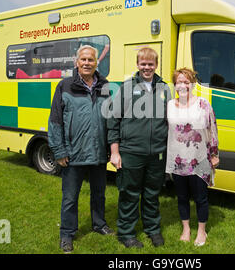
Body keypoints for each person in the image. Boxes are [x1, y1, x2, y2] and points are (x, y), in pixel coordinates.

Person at [48, 45, 114, 253]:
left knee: (99, 194)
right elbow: (55, 121)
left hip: (98, 153)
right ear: (77, 63)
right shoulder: (65, 85)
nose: (87, 63)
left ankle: (99, 224)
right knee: (69, 198)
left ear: (97, 63)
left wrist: (112, 148)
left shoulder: (104, 86)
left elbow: (110, 119)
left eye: (91, 60)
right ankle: (67, 234)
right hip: (73, 153)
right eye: (83, 59)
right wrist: (59, 151)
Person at [107, 47, 171, 248]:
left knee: (152, 193)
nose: (147, 67)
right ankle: (126, 233)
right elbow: (113, 120)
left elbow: (171, 119)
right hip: (131, 152)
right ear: (137, 65)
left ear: (156, 65)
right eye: (143, 63)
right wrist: (115, 152)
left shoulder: (165, 88)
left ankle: (153, 229)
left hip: (157, 153)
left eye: (150, 64)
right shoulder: (126, 88)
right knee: (129, 194)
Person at [166, 67, 219, 247]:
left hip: (200, 159)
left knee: (200, 197)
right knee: (181, 197)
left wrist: (214, 154)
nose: (182, 85)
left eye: (186, 82)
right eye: (179, 81)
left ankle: (202, 231)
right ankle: (186, 228)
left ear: (193, 84)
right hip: (178, 160)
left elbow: (212, 130)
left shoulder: (203, 104)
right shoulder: (170, 105)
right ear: (175, 85)